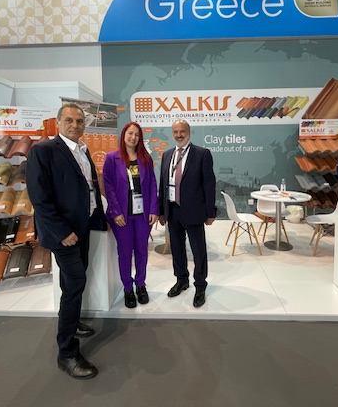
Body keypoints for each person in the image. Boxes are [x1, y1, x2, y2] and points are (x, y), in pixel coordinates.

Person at [26, 103, 106, 379]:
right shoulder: (44, 151)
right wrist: (61, 231)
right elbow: (39, 198)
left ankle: (72, 322)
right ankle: (67, 353)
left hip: (82, 228)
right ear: (58, 122)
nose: (75, 125)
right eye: (69, 120)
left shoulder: (82, 150)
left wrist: (97, 218)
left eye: (80, 121)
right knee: (75, 283)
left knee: (73, 281)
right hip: (65, 234)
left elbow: (89, 187)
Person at [158, 120, 216, 308]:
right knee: (177, 248)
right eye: (175, 131)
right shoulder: (167, 155)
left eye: (182, 131)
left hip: (193, 211)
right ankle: (181, 280)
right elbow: (163, 184)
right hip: (172, 210)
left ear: (189, 132)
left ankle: (200, 286)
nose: (179, 135)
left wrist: (210, 212)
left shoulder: (202, 154)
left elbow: (209, 185)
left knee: (198, 250)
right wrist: (161, 211)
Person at [102, 122, 159, 308]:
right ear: (124, 135)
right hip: (122, 216)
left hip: (143, 215)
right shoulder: (112, 158)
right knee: (125, 252)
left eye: (136, 134)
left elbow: (152, 185)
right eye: (130, 133)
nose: (133, 137)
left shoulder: (145, 158)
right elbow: (108, 187)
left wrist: (154, 209)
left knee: (142, 250)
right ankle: (128, 288)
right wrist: (115, 211)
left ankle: (140, 284)